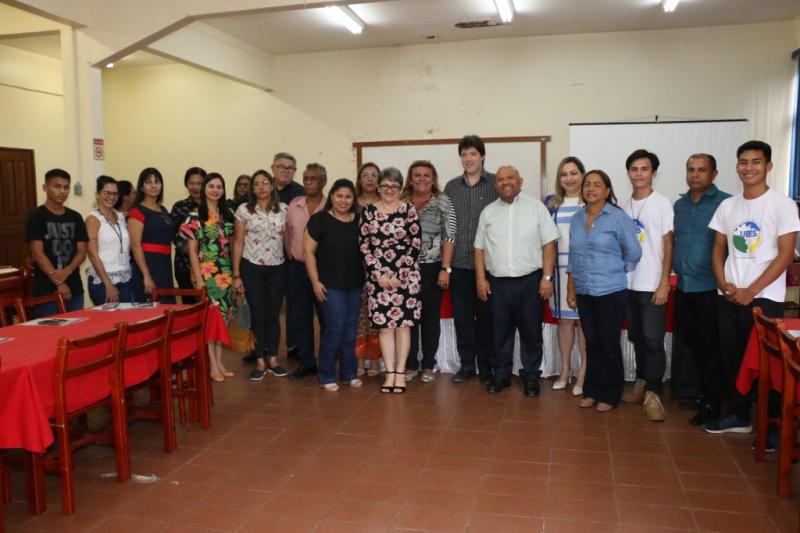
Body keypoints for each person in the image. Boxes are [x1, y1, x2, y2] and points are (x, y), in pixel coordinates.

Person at [704, 140, 800, 435]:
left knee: (769, 365)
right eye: (743, 162)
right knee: (732, 358)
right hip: (730, 296)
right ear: (737, 167)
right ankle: (739, 415)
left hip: (764, 299)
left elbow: (786, 255)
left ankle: (774, 427)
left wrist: (752, 290)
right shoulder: (728, 205)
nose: (749, 168)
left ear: (768, 166)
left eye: (756, 162)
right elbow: (719, 247)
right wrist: (722, 282)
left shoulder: (782, 204)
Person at [474, 166, 559, 396]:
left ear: (520, 181)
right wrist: (481, 279)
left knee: (531, 332)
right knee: (499, 333)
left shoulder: (536, 208)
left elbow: (549, 243)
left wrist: (547, 278)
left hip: (530, 282)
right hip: (497, 283)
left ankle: (531, 377)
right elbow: (479, 248)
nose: (505, 183)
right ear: (495, 185)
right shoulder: (488, 212)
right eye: (500, 180)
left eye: (510, 178)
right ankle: (502, 376)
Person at [567, 170, 642, 412]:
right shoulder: (577, 218)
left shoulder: (618, 217)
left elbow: (634, 252)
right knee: (592, 342)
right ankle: (591, 391)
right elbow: (573, 257)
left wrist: (619, 268)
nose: (591, 189)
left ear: (607, 191)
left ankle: (610, 394)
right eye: (587, 184)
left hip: (611, 290)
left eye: (597, 185)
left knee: (609, 343)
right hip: (584, 290)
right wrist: (572, 288)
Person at [672, 153, 731, 425]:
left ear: (714, 174)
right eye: (691, 170)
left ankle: (712, 402)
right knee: (693, 344)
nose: (695, 175)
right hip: (684, 286)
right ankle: (702, 394)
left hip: (711, 289)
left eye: (701, 170)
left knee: (711, 347)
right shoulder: (680, 205)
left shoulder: (725, 204)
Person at [619, 149, 674, 422]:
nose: (638, 173)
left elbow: (667, 244)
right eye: (634, 169)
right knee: (637, 336)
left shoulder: (662, 203)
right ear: (628, 173)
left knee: (653, 339)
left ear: (654, 173)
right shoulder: (623, 206)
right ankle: (641, 381)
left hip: (652, 283)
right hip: (627, 283)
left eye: (644, 169)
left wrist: (664, 281)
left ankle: (654, 392)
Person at [360, 167, 422, 393]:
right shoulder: (367, 211)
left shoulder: (409, 210)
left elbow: (416, 243)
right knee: (385, 328)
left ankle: (400, 373)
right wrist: (379, 274)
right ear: (378, 187)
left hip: (406, 277)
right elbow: (364, 245)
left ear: (400, 188)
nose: (389, 190)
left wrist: (399, 275)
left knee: (403, 327)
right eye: (385, 186)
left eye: (394, 186)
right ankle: (389, 373)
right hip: (378, 278)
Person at [443, 135, 498, 383]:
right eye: (464, 154)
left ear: (482, 156)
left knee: (487, 319)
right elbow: (447, 227)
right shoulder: (451, 187)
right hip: (459, 265)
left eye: (473, 154)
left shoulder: (496, 184)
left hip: (488, 266)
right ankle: (467, 365)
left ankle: (486, 366)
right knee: (463, 318)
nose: (468, 159)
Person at [305, 179, 365, 391]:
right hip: (329, 286)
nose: (343, 200)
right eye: (339, 196)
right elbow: (308, 253)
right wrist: (315, 282)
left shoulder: (359, 220)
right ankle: (326, 375)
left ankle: (349, 373)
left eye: (348, 196)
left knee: (350, 331)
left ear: (353, 199)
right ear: (331, 196)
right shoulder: (319, 220)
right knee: (334, 328)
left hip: (355, 284)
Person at [401, 160, 456, 383]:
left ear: (433, 178)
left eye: (426, 175)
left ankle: (428, 364)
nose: (422, 179)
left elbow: (450, 236)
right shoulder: (401, 202)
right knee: (409, 318)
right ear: (410, 179)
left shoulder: (443, 202)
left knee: (430, 317)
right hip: (405, 269)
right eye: (417, 175)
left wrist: (445, 268)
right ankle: (411, 363)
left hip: (433, 268)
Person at [232, 170, 289, 381]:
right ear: (252, 189)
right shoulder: (243, 210)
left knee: (274, 314)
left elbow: (288, 239)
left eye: (265, 183)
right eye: (257, 184)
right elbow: (238, 242)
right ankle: (259, 361)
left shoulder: (283, 209)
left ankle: (273, 359)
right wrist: (236, 274)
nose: (261, 187)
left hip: (277, 268)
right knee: (257, 313)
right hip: (251, 267)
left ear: (272, 185)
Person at [181, 172, 237, 382]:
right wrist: (198, 277)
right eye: (211, 186)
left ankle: (220, 361)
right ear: (204, 189)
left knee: (224, 317)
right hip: (207, 273)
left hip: (226, 273)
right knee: (211, 318)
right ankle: (212, 364)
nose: (215, 190)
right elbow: (192, 251)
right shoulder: (195, 216)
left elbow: (232, 244)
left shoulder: (229, 213)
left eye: (219, 187)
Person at [545, 156, 588, 396]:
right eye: (564, 174)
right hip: (558, 273)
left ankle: (583, 373)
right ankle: (565, 370)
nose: (569, 178)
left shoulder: (591, 202)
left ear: (582, 175)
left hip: (583, 272)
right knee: (565, 323)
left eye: (573, 173)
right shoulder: (552, 204)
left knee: (584, 324)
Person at [26, 168, 88, 316]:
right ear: (45, 188)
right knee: (49, 333)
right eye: (57, 186)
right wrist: (59, 282)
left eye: (66, 187)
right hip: (45, 288)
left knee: (77, 331)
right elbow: (37, 253)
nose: (62, 191)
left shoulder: (75, 217)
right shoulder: (36, 216)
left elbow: (82, 252)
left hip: (74, 285)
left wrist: (66, 272)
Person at [285, 163, 327, 379]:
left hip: (324, 272)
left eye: (313, 178)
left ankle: (327, 362)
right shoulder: (294, 205)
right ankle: (307, 362)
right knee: (301, 318)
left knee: (326, 318)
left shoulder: (331, 205)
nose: (308, 182)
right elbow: (286, 232)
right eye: (306, 178)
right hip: (297, 270)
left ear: (323, 182)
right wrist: (290, 254)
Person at [128, 167, 175, 302]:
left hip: (164, 265)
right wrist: (146, 276)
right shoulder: (137, 212)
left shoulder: (163, 209)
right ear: (141, 187)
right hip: (148, 266)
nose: (153, 185)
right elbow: (136, 246)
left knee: (167, 307)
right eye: (148, 182)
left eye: (157, 182)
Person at [85, 175, 134, 305]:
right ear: (98, 194)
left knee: (127, 320)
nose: (111, 197)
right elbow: (93, 254)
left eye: (115, 194)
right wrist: (108, 284)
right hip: (103, 280)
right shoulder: (92, 220)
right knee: (110, 322)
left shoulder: (121, 217)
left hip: (124, 276)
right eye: (107, 193)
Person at [355, 162, 382, 377]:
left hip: (380, 266)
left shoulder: (386, 203)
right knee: (359, 316)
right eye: (365, 175)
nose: (370, 179)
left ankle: (375, 362)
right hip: (354, 264)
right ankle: (359, 360)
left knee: (376, 314)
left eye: (374, 175)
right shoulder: (350, 202)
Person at [170, 167, 206, 296]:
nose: (195, 187)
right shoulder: (179, 207)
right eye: (191, 183)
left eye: (199, 183)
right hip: (184, 265)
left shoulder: (213, 207)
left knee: (212, 307)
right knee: (189, 308)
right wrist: (195, 255)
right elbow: (175, 236)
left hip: (210, 265)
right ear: (186, 185)